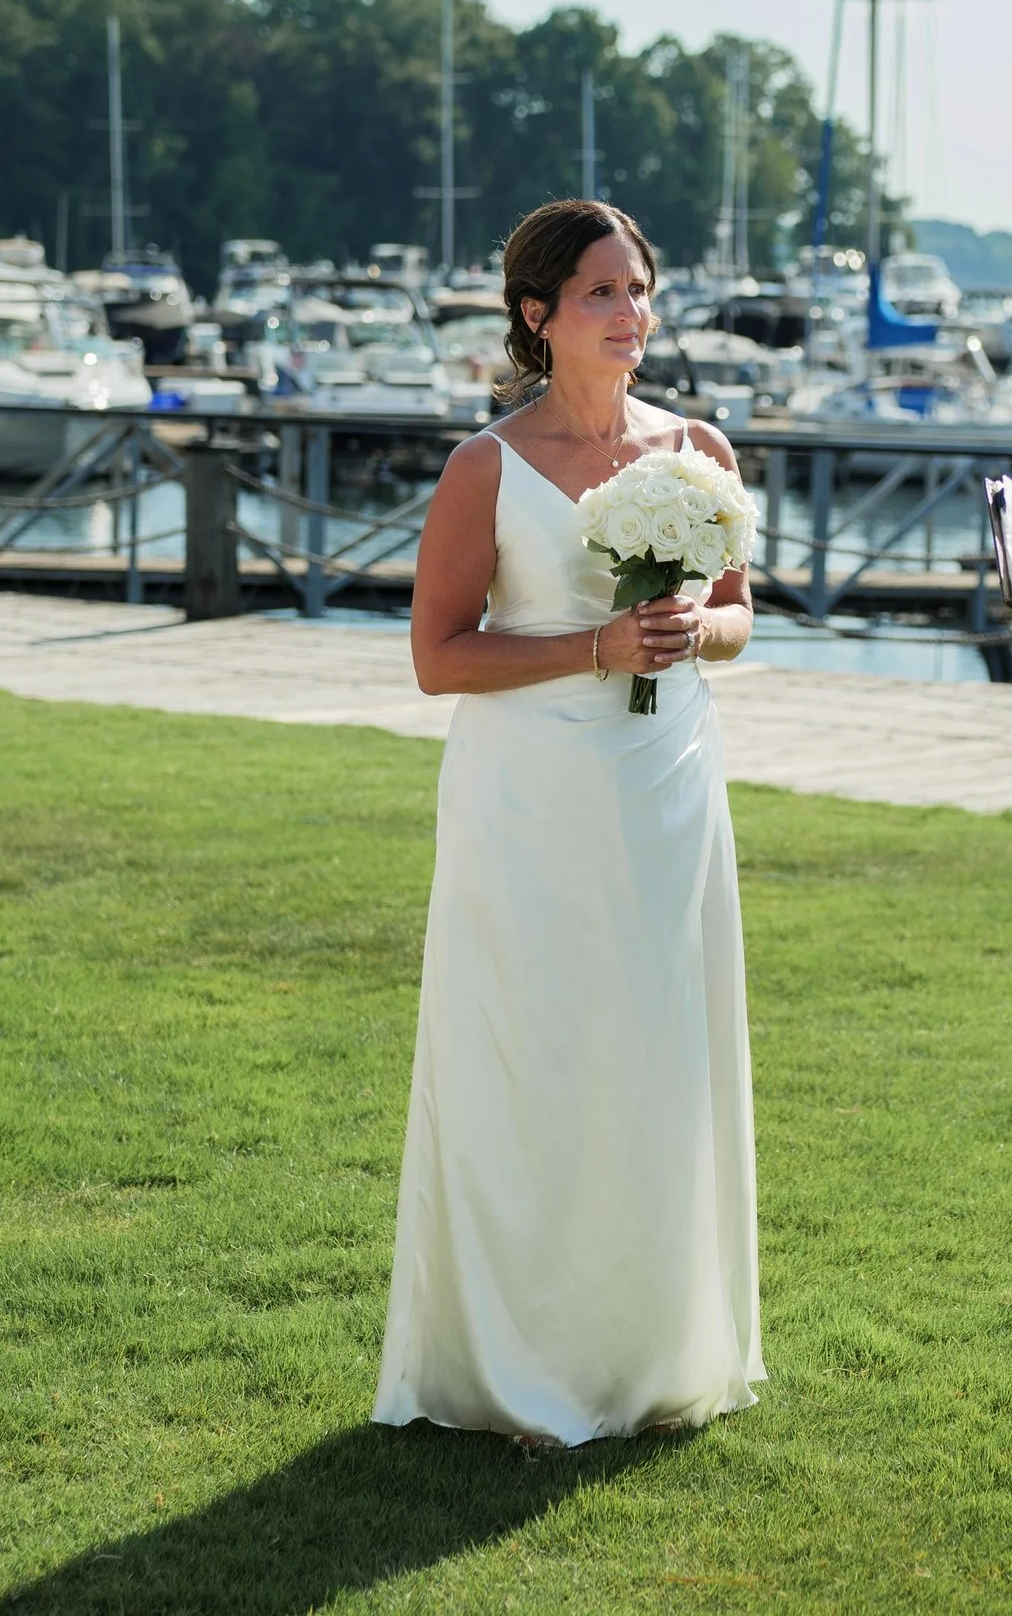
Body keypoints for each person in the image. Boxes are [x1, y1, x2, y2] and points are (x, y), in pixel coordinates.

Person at [373, 199, 764, 1445]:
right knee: (535, 1049)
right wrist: (595, 645)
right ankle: (515, 1363)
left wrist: (693, 628)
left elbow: (739, 614)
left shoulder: (697, 447)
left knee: (655, 1049)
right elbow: (438, 657)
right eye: (603, 291)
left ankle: (655, 1350)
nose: (630, 312)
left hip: (666, 780)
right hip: (530, 795)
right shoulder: (483, 467)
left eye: (639, 289)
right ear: (537, 314)